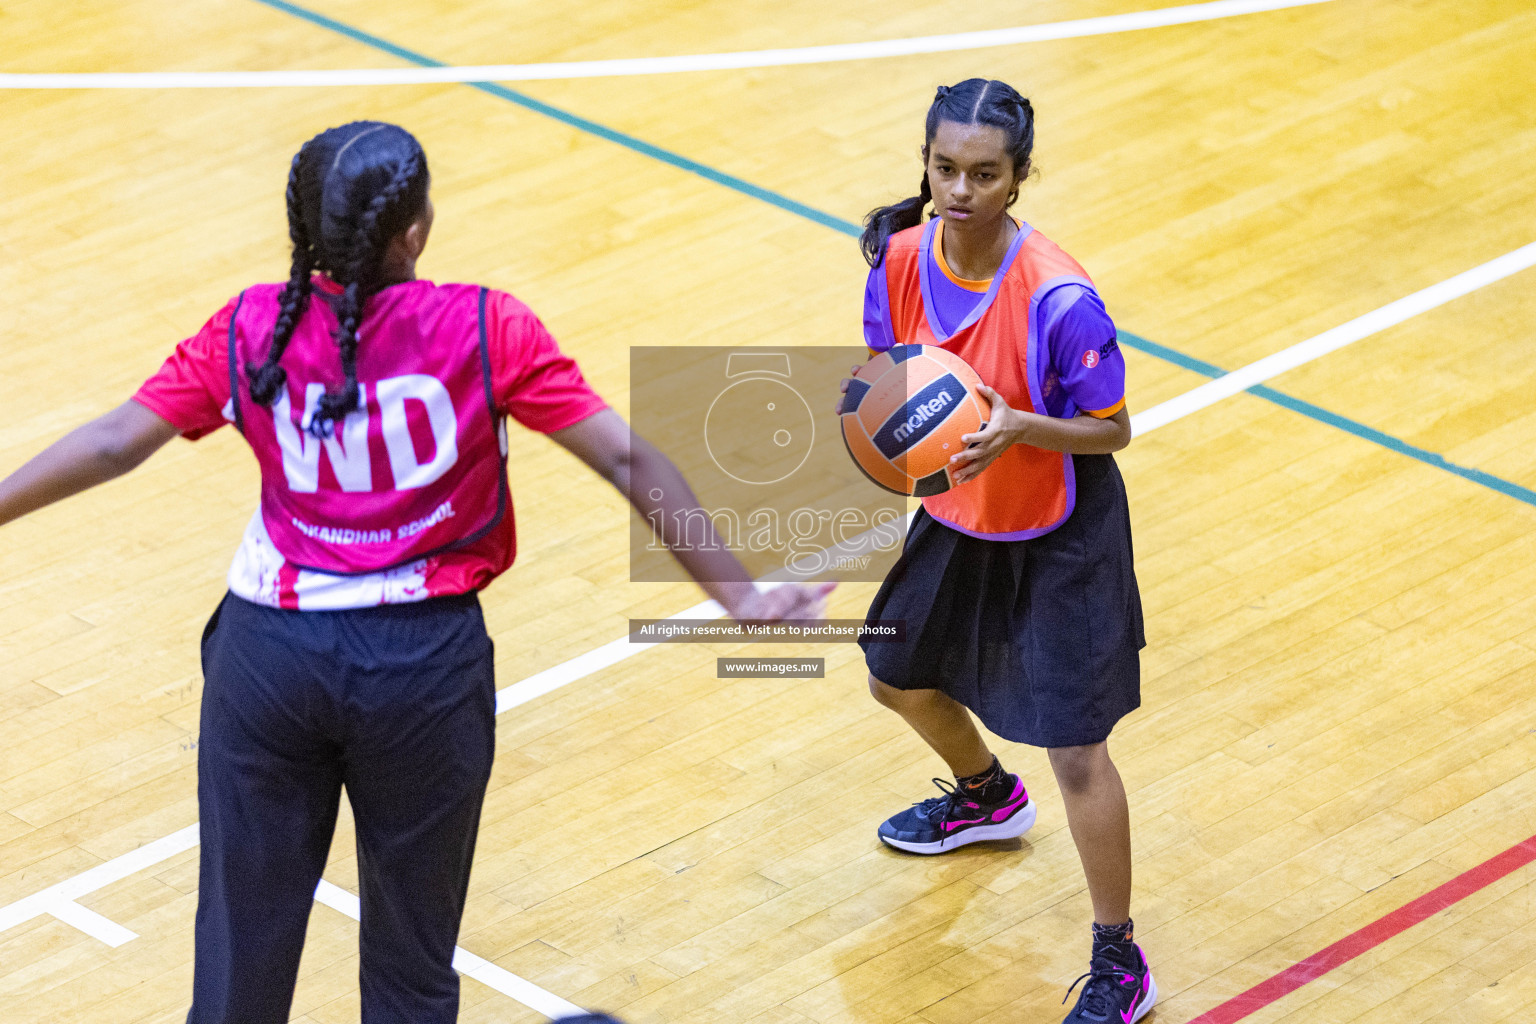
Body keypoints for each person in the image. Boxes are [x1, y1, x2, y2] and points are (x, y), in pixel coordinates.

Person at [0, 120, 830, 1024]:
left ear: (305, 228)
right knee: (411, 963)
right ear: (413, 230)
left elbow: (118, 442)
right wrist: (739, 595)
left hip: (268, 662)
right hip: (421, 672)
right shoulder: (482, 325)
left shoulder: (249, 326)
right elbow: (629, 462)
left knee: (240, 952)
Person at [842, 80, 1154, 1023]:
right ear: (927, 165)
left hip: (1063, 524)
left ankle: (1119, 959)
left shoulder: (1060, 298)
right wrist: (882, 431)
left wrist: (1019, 425)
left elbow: (1115, 431)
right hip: (961, 505)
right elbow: (885, 378)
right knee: (895, 676)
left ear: (1018, 180)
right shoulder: (899, 259)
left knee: (1078, 753)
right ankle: (984, 795)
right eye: (946, 169)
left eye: (985, 173)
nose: (961, 189)